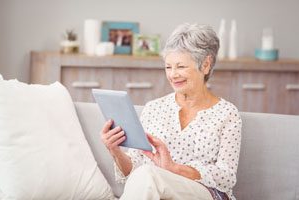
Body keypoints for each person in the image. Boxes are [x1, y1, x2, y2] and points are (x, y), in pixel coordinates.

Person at [101, 23, 242, 200]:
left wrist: (173, 168)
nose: (173, 75)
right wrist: (114, 150)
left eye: (181, 67)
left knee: (148, 174)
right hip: (155, 192)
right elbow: (134, 172)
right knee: (145, 174)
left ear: (206, 65)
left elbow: (227, 177)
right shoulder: (154, 108)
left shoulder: (227, 114)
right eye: (168, 67)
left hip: (205, 194)